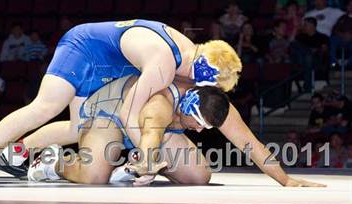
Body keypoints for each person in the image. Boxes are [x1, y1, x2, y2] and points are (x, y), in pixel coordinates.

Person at [0, 19, 242, 183]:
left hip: (109, 64)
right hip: (85, 49)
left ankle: (15, 152)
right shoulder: (166, 65)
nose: (206, 89)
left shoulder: (189, 58)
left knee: (80, 128)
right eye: (212, 84)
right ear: (207, 70)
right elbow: (130, 114)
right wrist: (146, 159)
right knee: (45, 107)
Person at [24, 75, 324, 188]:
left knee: (199, 176)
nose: (200, 131)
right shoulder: (162, 103)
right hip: (110, 115)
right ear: (186, 109)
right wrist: (148, 163)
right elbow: (151, 133)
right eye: (198, 125)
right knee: (94, 177)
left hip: (150, 130)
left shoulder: (215, 104)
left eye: (206, 128)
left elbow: (250, 143)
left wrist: (285, 180)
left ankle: (128, 167)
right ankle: (54, 162)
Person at [290, 17, 329, 92]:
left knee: (308, 57)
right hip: (300, 59)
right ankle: (307, 86)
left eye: (305, 25)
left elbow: (324, 50)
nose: (303, 26)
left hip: (316, 60)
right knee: (294, 44)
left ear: (312, 26)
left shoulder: (322, 37)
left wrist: (316, 50)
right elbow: (292, 45)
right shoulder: (300, 37)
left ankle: (307, 86)